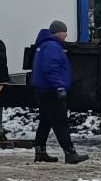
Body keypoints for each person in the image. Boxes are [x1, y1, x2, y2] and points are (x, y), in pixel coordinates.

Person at [30, 19, 85, 164]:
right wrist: (59, 86)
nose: (66, 35)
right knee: (60, 121)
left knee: (46, 121)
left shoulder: (45, 45)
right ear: (57, 32)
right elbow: (51, 68)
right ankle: (70, 153)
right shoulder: (52, 46)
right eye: (64, 32)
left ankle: (40, 152)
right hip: (51, 91)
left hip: (42, 90)